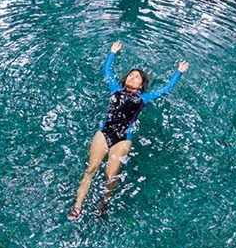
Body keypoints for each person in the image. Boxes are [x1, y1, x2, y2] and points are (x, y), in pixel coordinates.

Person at [68, 41, 189, 219]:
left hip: (123, 138)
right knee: (91, 168)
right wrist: (112, 53)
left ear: (141, 85)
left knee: (110, 175)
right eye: (131, 75)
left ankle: (104, 202)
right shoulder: (114, 88)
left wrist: (178, 73)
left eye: (137, 77)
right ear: (125, 79)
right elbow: (106, 71)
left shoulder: (144, 98)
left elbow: (165, 89)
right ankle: (78, 206)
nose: (133, 77)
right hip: (104, 132)